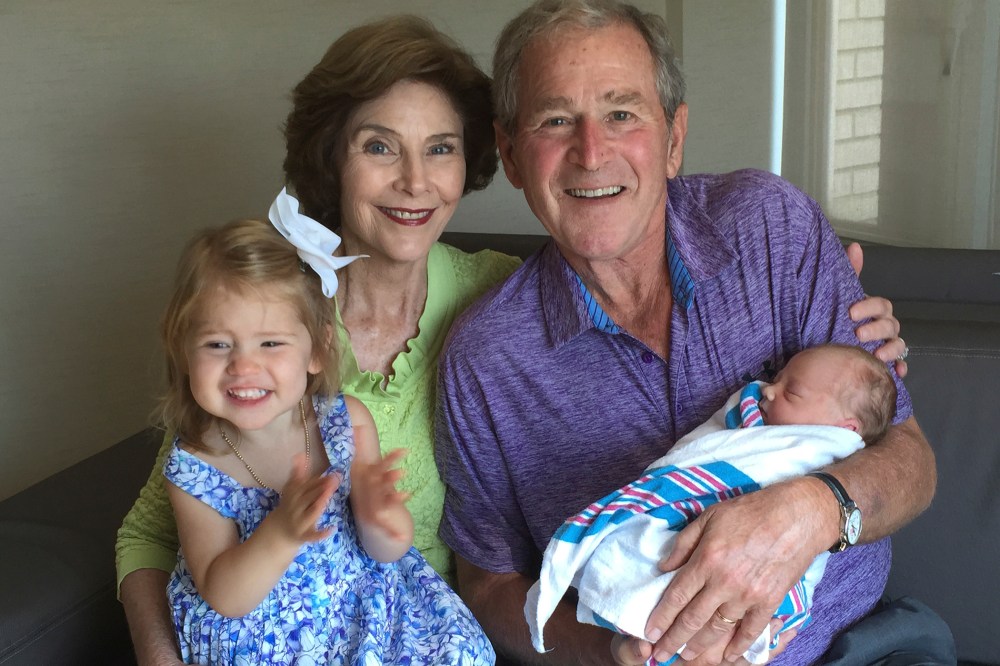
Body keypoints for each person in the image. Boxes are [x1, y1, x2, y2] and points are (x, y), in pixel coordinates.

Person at [433, 1, 934, 665]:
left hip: (858, 648)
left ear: (673, 139)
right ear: (512, 155)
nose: (591, 152)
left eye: (622, 113)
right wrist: (616, 653)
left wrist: (813, 511)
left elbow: (911, 458)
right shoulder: (485, 359)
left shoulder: (769, 230)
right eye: (556, 120)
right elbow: (488, 584)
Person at [115, 17, 519, 665]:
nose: (416, 181)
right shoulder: (263, 319)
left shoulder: (504, 296)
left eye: (441, 147)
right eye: (380, 147)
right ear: (331, 156)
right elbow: (149, 534)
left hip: (396, 638)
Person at [157, 212, 494, 663]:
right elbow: (223, 595)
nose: (243, 366)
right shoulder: (194, 467)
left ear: (317, 350)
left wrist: (379, 514)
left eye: (270, 343)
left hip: (362, 614)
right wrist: (280, 532)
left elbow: (388, 551)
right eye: (218, 345)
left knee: (459, 651)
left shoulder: (346, 423)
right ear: (184, 351)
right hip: (266, 644)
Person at [527, 344, 896, 663]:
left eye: (792, 392)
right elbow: (708, 459)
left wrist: (818, 508)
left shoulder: (824, 450)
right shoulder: (755, 420)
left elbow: (908, 459)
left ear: (844, 430)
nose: (767, 391)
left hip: (873, 640)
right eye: (776, 378)